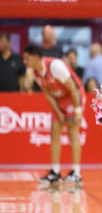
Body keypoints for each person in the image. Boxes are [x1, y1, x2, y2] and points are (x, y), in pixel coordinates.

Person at [22, 44, 85, 184]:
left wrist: (78, 110)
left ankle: (76, 173)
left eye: (26, 58)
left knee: (72, 132)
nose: (24, 62)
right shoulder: (36, 72)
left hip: (73, 96)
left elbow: (73, 88)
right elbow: (47, 94)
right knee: (54, 133)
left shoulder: (55, 66)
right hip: (59, 99)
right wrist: (58, 112)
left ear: (35, 57)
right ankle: (55, 172)